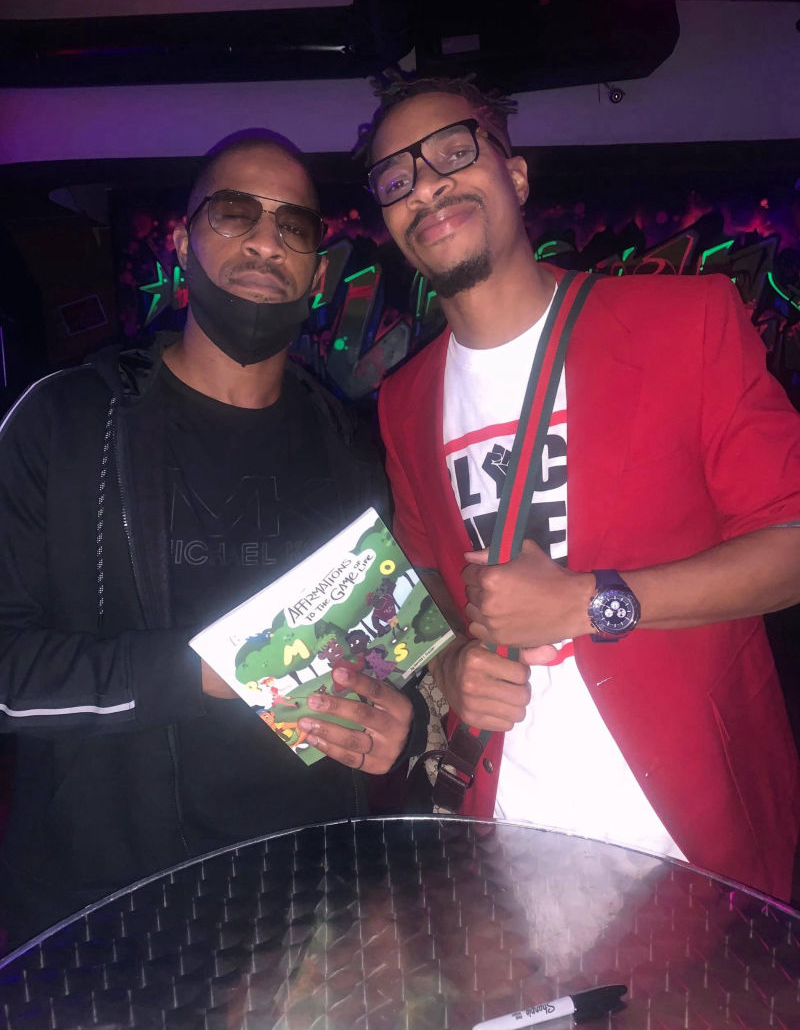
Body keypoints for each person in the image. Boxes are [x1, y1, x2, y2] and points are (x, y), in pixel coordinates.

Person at [364, 76, 800, 899]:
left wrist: (590, 601)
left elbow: (791, 543)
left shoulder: (686, 321)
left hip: (695, 834)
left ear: (515, 175)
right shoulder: (402, 400)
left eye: (454, 151)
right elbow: (428, 578)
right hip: (506, 841)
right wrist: (451, 662)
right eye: (396, 178)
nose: (426, 185)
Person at [0, 134, 424, 950]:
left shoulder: (353, 449)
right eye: (234, 213)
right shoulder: (64, 422)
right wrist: (196, 672)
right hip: (109, 921)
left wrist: (396, 725)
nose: (265, 240)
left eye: (294, 226)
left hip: (305, 909)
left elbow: (381, 662)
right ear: (180, 241)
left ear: (320, 272)